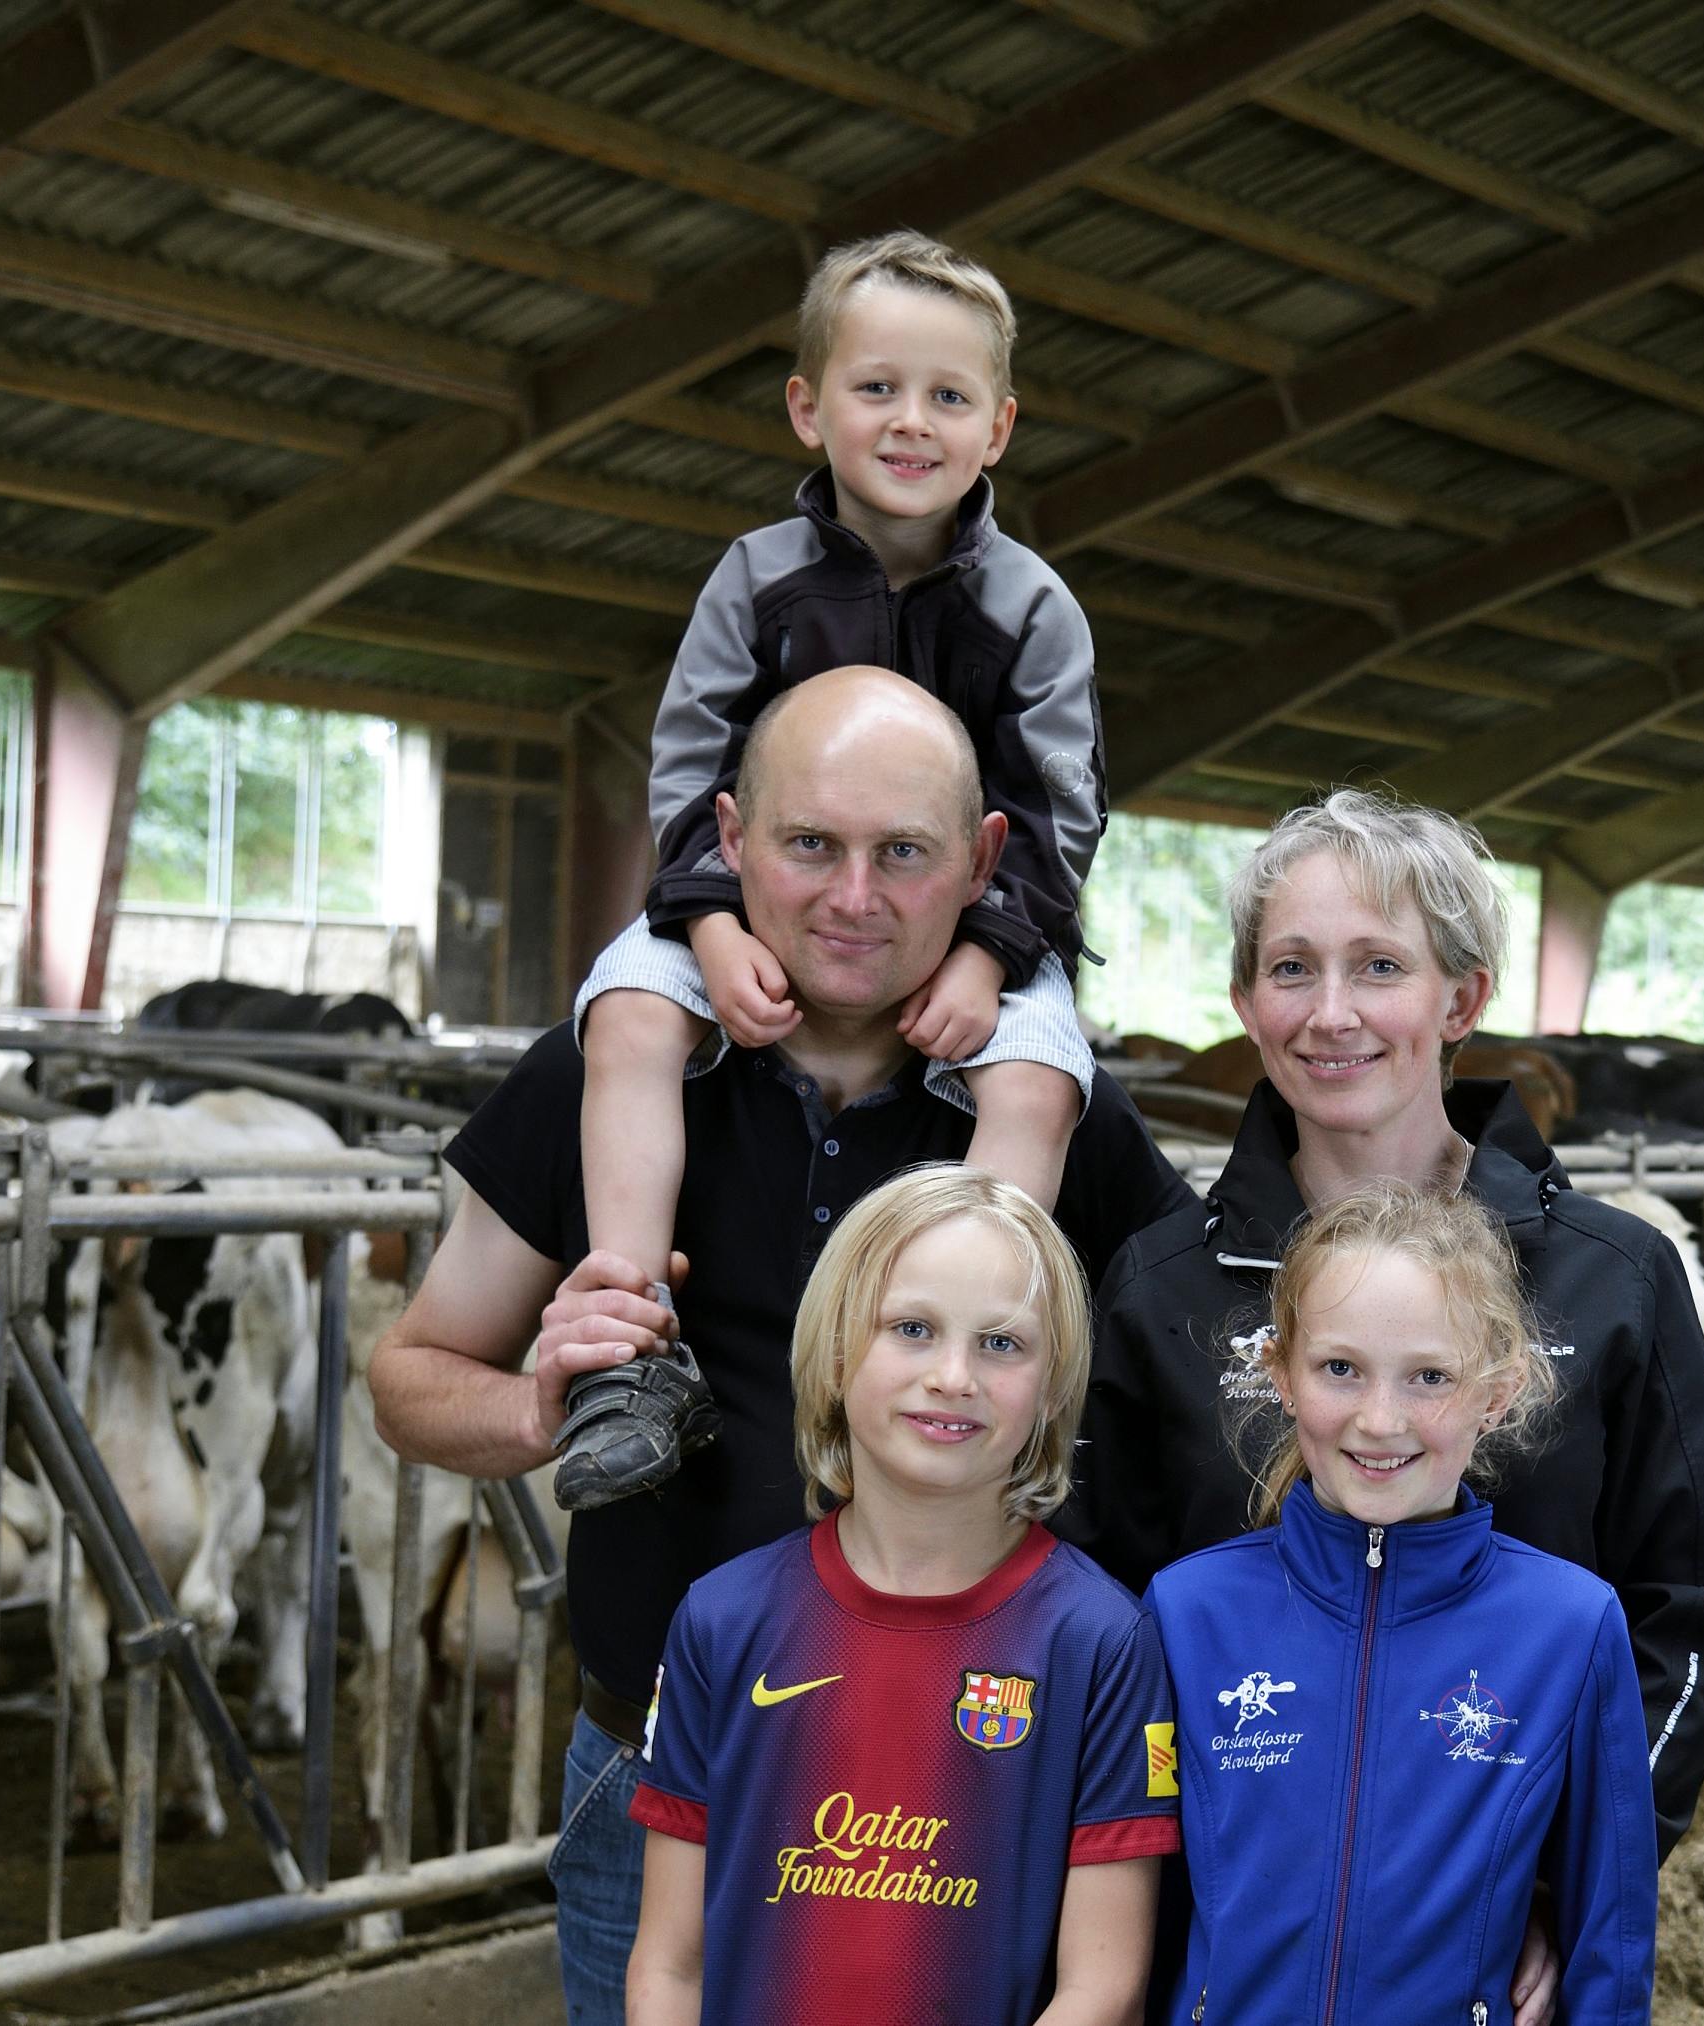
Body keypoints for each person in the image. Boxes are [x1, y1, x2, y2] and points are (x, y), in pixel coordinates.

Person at [368, 667, 1192, 2026]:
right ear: (730, 839)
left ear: (985, 861)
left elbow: (1187, 1393)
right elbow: (410, 1375)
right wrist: (539, 1407)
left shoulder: (1052, 1118)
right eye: (809, 844)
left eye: (904, 854)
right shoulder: (601, 1076)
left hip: (979, 1788)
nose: (852, 898)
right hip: (662, 1770)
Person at [1061, 788, 1704, 2022]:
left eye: (1378, 966)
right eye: (1291, 968)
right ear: (1244, 1004)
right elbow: (1101, 1617)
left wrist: (1574, 1873)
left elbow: (1698, 1596)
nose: (1329, 1013)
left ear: (1461, 1000)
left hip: (1491, 1952)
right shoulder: (1160, 1285)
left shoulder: (1611, 1274)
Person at [558, 227, 1104, 1514]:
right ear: (808, 408)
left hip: (975, 933)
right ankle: (630, 1350)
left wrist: (987, 952)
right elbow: (689, 766)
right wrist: (701, 927)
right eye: (876, 388)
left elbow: (1056, 810)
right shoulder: (754, 580)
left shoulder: (1033, 610)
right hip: (746, 912)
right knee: (626, 1015)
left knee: (1031, 1082)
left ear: (999, 428)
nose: (911, 422)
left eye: (948, 396)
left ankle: (974, 1368)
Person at [626, 1166, 1172, 2026]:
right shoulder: (721, 1621)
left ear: (1054, 1384)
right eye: (912, 1329)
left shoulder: (1101, 1641)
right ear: (839, 1353)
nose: (954, 1375)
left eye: (1002, 1343)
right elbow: (669, 1967)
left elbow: (1102, 1993)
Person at [1144, 1182, 1653, 2025]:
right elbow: (1139, 1910)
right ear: (1280, 1375)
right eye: (1340, 1369)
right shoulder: (1187, 1611)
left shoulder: (1570, 1627)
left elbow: (1612, 1934)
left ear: (1498, 1391)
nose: (1381, 1420)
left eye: (1430, 1378)